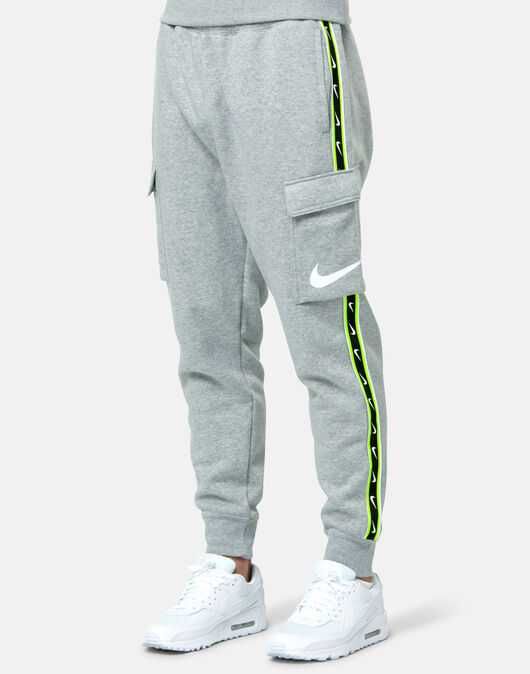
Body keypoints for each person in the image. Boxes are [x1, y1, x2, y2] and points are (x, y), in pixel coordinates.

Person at [144, 0, 388, 661]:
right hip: (183, 38)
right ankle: (230, 564)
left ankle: (352, 571)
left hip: (289, 38)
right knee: (207, 333)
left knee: (325, 329)